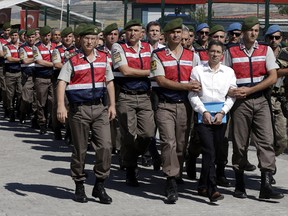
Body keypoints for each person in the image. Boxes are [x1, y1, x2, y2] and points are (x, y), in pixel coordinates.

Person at [224, 16, 284, 200]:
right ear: (243, 32)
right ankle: (239, 182)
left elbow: (272, 77)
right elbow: (223, 76)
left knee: (266, 141)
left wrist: (251, 90)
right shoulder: (232, 51)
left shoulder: (265, 50)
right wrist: (232, 91)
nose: (254, 33)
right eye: (251, 30)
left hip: (260, 100)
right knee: (240, 144)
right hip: (240, 103)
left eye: (257, 30)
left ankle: (265, 184)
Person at [57, 24, 116, 204]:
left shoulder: (104, 58)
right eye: (86, 38)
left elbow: (110, 82)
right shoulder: (73, 60)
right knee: (80, 149)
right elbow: (61, 83)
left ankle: (99, 184)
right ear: (79, 40)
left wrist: (112, 105)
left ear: (98, 40)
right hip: (79, 110)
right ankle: (79, 184)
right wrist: (61, 106)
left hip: (99, 108)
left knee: (106, 146)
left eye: (93, 38)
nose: (90, 42)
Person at [150, 18, 201, 203]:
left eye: (179, 32)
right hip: (165, 105)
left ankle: (177, 171)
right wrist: (186, 86)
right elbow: (161, 81)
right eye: (172, 32)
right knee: (168, 142)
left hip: (186, 106)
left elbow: (198, 79)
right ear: (166, 35)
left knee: (181, 144)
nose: (176, 35)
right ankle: (170, 180)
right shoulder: (158, 55)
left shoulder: (192, 56)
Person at [188, 40, 237, 202]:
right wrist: (204, 111)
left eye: (218, 52)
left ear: (222, 55)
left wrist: (223, 112)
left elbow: (231, 96)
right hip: (203, 116)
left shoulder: (229, 72)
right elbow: (193, 95)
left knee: (214, 152)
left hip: (220, 117)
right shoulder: (198, 71)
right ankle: (212, 188)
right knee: (208, 150)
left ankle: (202, 184)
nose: (215, 54)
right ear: (207, 53)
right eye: (212, 51)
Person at [111, 19, 155, 187]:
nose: (132, 33)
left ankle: (130, 157)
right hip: (126, 95)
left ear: (142, 33)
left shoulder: (149, 48)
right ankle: (130, 168)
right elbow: (125, 70)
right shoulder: (118, 47)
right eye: (130, 30)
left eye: (136, 30)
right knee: (129, 135)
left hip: (144, 96)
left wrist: (148, 74)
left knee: (148, 134)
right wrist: (149, 73)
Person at [265, 24, 288, 156]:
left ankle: (271, 158)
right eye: (271, 37)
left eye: (277, 37)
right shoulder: (262, 53)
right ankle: (267, 165)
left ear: (281, 38)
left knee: (282, 138)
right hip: (263, 97)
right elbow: (271, 73)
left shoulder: (285, 53)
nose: (274, 40)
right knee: (265, 137)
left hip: (280, 99)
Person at [52, 26, 77, 141]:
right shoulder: (57, 50)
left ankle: (69, 131)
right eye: (65, 37)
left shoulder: (76, 50)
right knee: (59, 105)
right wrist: (71, 68)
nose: (67, 39)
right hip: (60, 80)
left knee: (70, 106)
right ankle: (57, 128)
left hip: (73, 82)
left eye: (70, 36)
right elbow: (57, 64)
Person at [33, 26, 57, 134]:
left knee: (53, 102)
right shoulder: (36, 47)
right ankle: (42, 123)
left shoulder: (55, 46)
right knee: (41, 103)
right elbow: (39, 61)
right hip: (41, 78)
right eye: (45, 36)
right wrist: (54, 64)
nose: (47, 38)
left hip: (53, 78)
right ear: (41, 36)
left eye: (48, 36)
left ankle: (52, 122)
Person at [101, 23, 121, 155]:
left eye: (115, 34)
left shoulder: (122, 50)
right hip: (104, 86)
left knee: (118, 117)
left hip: (119, 85)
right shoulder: (99, 52)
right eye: (110, 34)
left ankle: (118, 146)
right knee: (107, 116)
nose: (113, 37)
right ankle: (109, 143)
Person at [19, 29, 37, 124]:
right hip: (28, 75)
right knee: (26, 98)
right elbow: (25, 61)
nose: (31, 39)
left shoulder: (38, 47)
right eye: (29, 37)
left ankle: (34, 118)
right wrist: (37, 58)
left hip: (38, 74)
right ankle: (23, 112)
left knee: (36, 99)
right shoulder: (22, 48)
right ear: (26, 38)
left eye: (32, 37)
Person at [3, 29, 22, 122]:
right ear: (10, 36)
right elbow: (9, 58)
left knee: (20, 93)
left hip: (19, 72)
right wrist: (21, 59)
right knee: (10, 95)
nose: (14, 37)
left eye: (15, 35)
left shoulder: (21, 46)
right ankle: (11, 112)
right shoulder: (6, 47)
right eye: (12, 35)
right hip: (10, 73)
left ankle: (18, 110)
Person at [0, 22, 11, 119]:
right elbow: (1, 54)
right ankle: (6, 107)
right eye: (5, 30)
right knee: (4, 88)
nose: (7, 32)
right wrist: (10, 55)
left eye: (8, 30)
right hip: (3, 65)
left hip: (13, 66)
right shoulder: (1, 40)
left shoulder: (15, 39)